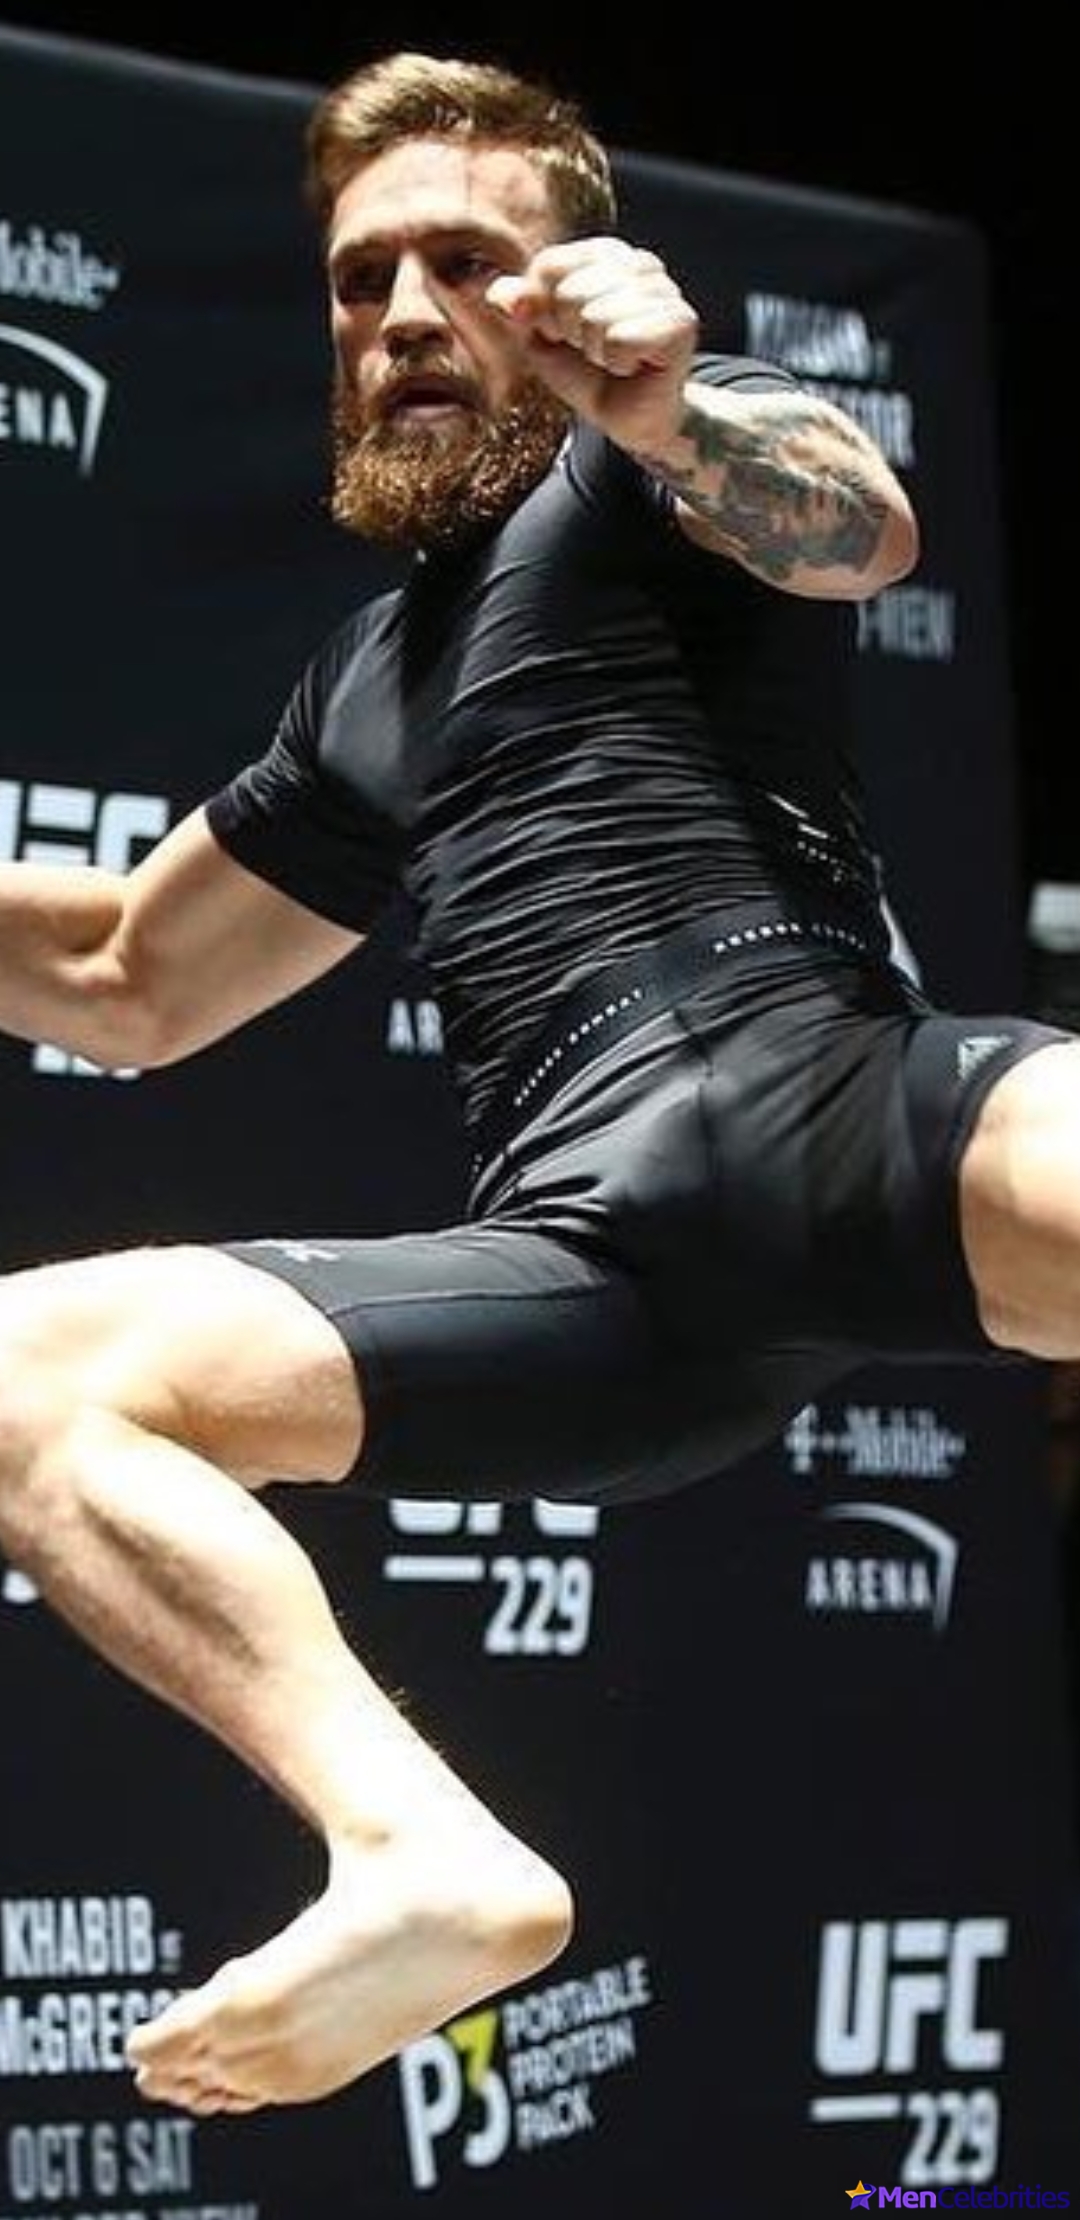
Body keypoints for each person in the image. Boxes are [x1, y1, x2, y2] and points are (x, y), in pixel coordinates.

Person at [0, 46, 1074, 2119]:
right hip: (598, 1283)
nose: (404, 313)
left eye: (464, 264)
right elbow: (127, 974)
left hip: (848, 1114)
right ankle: (419, 1854)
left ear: (575, 285)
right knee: (26, 1377)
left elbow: (857, 529)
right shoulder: (367, 684)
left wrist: (669, 405)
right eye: (361, 279)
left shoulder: (655, 470)